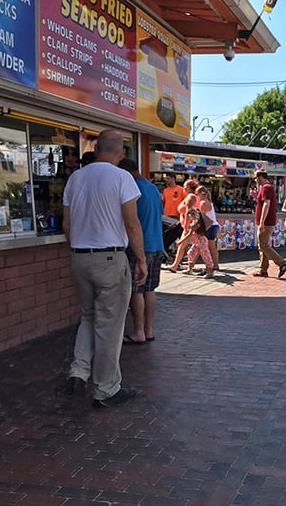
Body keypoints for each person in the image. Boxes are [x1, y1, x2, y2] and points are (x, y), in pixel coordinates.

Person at [62, 129, 147, 408]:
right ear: (121, 154)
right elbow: (132, 224)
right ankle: (106, 388)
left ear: (96, 148)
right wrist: (141, 259)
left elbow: (67, 224)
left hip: (79, 256)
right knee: (110, 326)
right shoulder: (122, 177)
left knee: (88, 316)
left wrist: (78, 249)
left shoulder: (75, 178)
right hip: (110, 259)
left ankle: (78, 370)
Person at [117, 158, 165, 345]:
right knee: (150, 289)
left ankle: (138, 332)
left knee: (136, 290)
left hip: (139, 247)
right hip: (157, 244)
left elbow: (130, 222)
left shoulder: (131, 189)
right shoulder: (153, 188)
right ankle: (149, 330)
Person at [251, 170, 286, 278]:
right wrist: (255, 196)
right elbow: (263, 203)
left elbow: (266, 205)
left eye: (255, 177)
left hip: (266, 222)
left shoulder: (266, 188)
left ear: (260, 177)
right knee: (262, 246)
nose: (255, 180)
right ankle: (263, 270)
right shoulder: (268, 188)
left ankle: (282, 263)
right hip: (267, 221)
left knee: (264, 245)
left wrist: (262, 222)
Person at [167, 179, 200, 272]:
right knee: (197, 245)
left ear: (190, 187)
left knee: (183, 246)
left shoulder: (191, 197)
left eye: (185, 185)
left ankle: (175, 265)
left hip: (189, 226)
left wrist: (186, 226)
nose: (184, 187)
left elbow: (188, 212)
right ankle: (184, 265)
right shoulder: (192, 196)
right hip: (190, 225)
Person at [181, 208, 215, 278]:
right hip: (197, 241)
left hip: (201, 241)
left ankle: (210, 271)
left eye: (189, 215)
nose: (189, 217)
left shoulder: (195, 223)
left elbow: (189, 234)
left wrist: (181, 241)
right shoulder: (197, 222)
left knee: (206, 256)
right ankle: (190, 269)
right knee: (191, 253)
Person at [196, 185, 220, 271]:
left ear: (200, 194)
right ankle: (215, 264)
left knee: (206, 247)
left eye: (197, 194)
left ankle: (210, 265)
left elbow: (201, 217)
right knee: (211, 246)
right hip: (214, 225)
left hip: (210, 226)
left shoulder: (203, 203)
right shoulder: (208, 201)